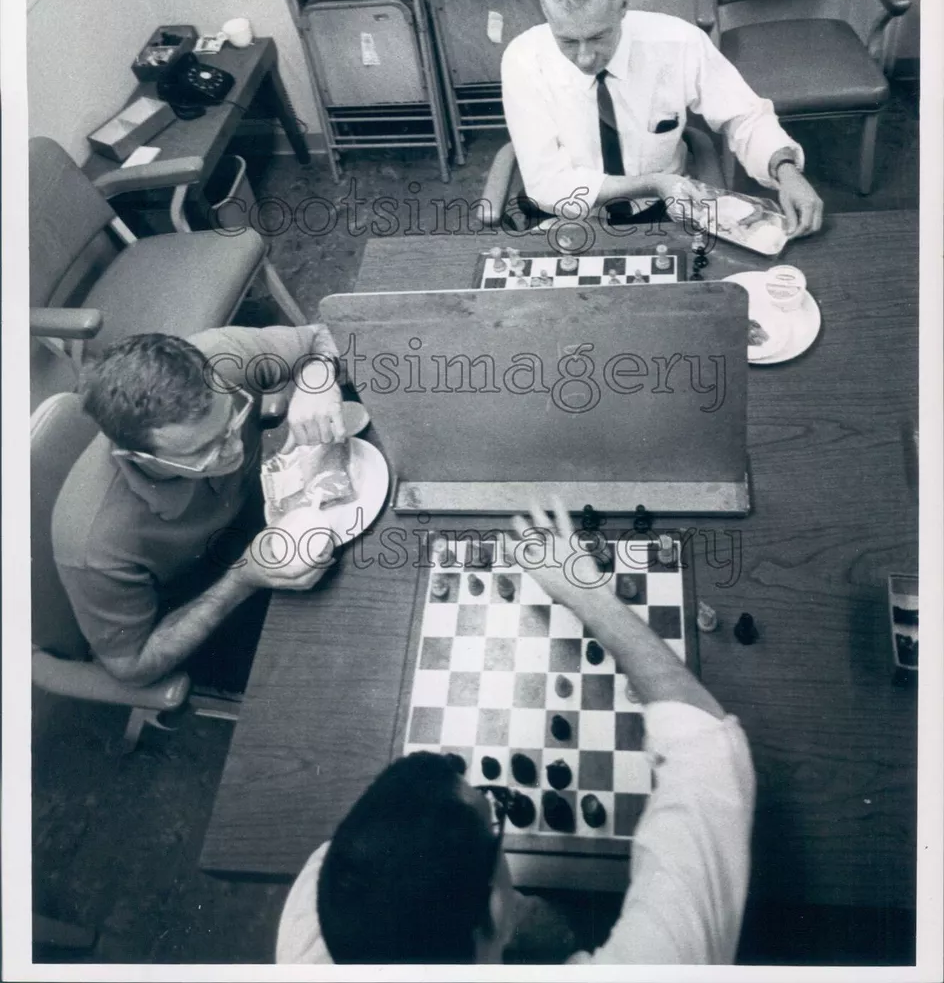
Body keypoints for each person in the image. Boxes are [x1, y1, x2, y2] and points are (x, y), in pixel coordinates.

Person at [276, 498, 755, 965]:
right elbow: (708, 751)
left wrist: (515, 920)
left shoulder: (312, 921)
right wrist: (585, 593)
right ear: (490, 911)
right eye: (491, 817)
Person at [52, 323, 346, 690]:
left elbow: (325, 333)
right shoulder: (95, 544)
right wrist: (241, 580)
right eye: (205, 451)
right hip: (207, 607)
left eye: (231, 420)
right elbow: (133, 666)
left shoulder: (220, 356)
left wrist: (317, 380)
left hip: (269, 521)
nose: (235, 448)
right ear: (136, 456)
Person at [501, 0, 824, 237]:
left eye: (599, 37)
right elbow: (547, 184)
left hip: (662, 212)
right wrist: (653, 183)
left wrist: (786, 171)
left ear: (623, 4)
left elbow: (745, 115)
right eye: (568, 41)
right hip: (565, 216)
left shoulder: (678, 42)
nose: (585, 58)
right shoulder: (523, 59)